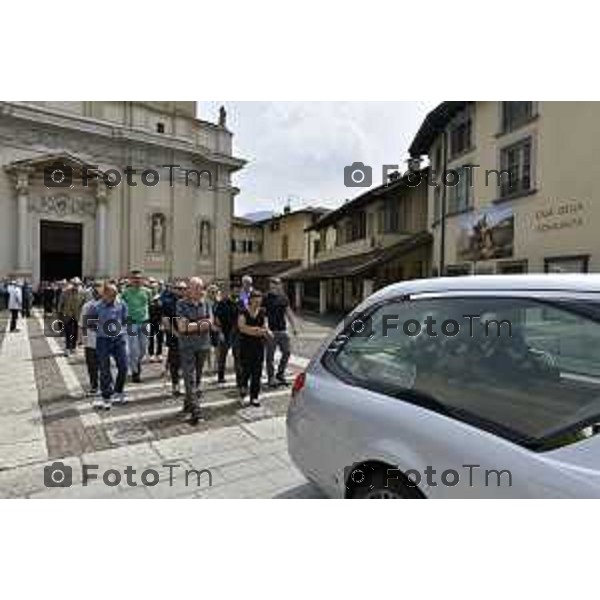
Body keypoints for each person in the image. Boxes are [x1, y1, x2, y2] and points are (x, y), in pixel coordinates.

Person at [176, 277, 212, 424]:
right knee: (189, 378)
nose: (199, 291)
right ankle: (196, 411)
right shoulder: (181, 304)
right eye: (196, 288)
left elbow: (211, 322)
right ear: (189, 290)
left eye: (201, 288)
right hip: (187, 346)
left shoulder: (207, 303)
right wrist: (201, 325)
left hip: (203, 345)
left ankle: (187, 403)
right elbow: (182, 327)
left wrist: (193, 325)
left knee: (196, 379)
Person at [88, 282, 129, 409]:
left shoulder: (121, 304)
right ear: (104, 294)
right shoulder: (95, 307)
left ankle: (118, 390)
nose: (115, 296)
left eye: (116, 294)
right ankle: (106, 396)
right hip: (103, 340)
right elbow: (90, 324)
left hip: (118, 339)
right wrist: (103, 329)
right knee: (105, 369)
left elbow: (124, 319)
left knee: (124, 366)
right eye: (112, 294)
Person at [238, 290, 271, 407]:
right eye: (256, 301)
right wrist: (257, 331)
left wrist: (265, 332)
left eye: (259, 301)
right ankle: (243, 392)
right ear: (250, 300)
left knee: (257, 373)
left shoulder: (262, 311)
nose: (258, 303)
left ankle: (254, 396)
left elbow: (265, 326)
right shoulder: (243, 312)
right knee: (246, 371)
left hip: (259, 347)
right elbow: (241, 327)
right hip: (245, 346)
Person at [263, 277, 298, 387]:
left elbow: (288, 312)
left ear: (280, 285)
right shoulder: (265, 298)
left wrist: (294, 327)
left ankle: (280, 374)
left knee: (287, 352)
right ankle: (271, 378)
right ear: (270, 286)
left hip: (283, 330)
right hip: (271, 331)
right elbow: (262, 315)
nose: (274, 286)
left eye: (277, 284)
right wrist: (266, 329)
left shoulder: (283, 297)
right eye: (272, 285)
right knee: (270, 357)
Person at [121, 269, 152, 382]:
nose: (137, 280)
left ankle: (136, 363)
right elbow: (121, 307)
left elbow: (149, 304)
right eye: (134, 278)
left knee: (143, 349)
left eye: (139, 278)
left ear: (142, 279)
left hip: (144, 323)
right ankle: (135, 371)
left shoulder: (148, 291)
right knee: (133, 349)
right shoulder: (125, 292)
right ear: (130, 280)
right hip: (131, 324)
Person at [213, 287, 241, 387]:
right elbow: (216, 319)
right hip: (225, 333)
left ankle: (239, 380)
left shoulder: (240, 303)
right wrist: (220, 332)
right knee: (222, 356)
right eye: (234, 290)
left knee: (238, 357)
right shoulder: (222, 303)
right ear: (231, 291)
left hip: (237, 334)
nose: (236, 292)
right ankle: (221, 377)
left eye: (238, 291)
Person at [79, 284, 102, 396]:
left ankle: (104, 385)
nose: (97, 294)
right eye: (95, 291)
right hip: (90, 340)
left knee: (104, 364)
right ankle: (94, 385)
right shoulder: (87, 306)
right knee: (92, 365)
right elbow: (82, 324)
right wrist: (83, 339)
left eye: (99, 291)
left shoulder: (110, 305)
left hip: (104, 340)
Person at [58, 278, 84, 357]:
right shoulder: (65, 292)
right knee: (68, 332)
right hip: (67, 314)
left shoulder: (82, 292)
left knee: (75, 332)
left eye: (77, 284)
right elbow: (60, 303)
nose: (76, 286)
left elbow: (84, 303)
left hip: (77, 315)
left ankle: (73, 347)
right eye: (75, 284)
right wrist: (59, 312)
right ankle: (67, 348)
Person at [148, 280, 164, 363]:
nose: (153, 289)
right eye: (152, 288)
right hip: (150, 321)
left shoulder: (161, 297)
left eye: (155, 288)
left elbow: (163, 310)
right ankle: (151, 354)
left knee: (159, 338)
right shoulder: (148, 298)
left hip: (159, 321)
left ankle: (159, 353)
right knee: (151, 338)